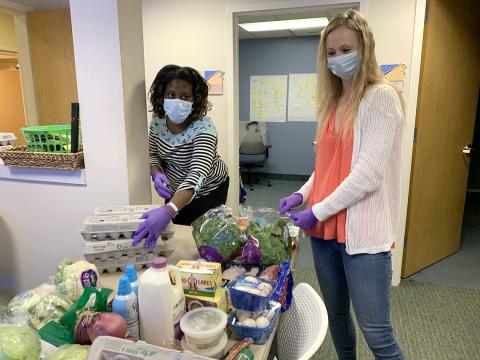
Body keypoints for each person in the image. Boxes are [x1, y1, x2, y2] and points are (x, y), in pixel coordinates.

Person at [279, 9, 405, 360]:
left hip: (362, 237)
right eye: (331, 53)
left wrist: (315, 209)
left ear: (365, 48)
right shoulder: (334, 100)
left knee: (378, 335)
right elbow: (328, 167)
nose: (337, 59)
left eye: (345, 49)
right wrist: (301, 194)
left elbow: (367, 174)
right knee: (336, 316)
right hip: (325, 233)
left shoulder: (380, 97)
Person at [133, 65, 229, 248]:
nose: (177, 101)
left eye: (185, 96)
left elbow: (197, 174)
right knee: (176, 237)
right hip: (176, 189)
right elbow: (153, 154)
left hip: (208, 190)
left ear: (195, 99)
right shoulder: (158, 121)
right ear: (162, 95)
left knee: (202, 239)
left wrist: (169, 209)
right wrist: (156, 173)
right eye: (171, 95)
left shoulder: (204, 128)